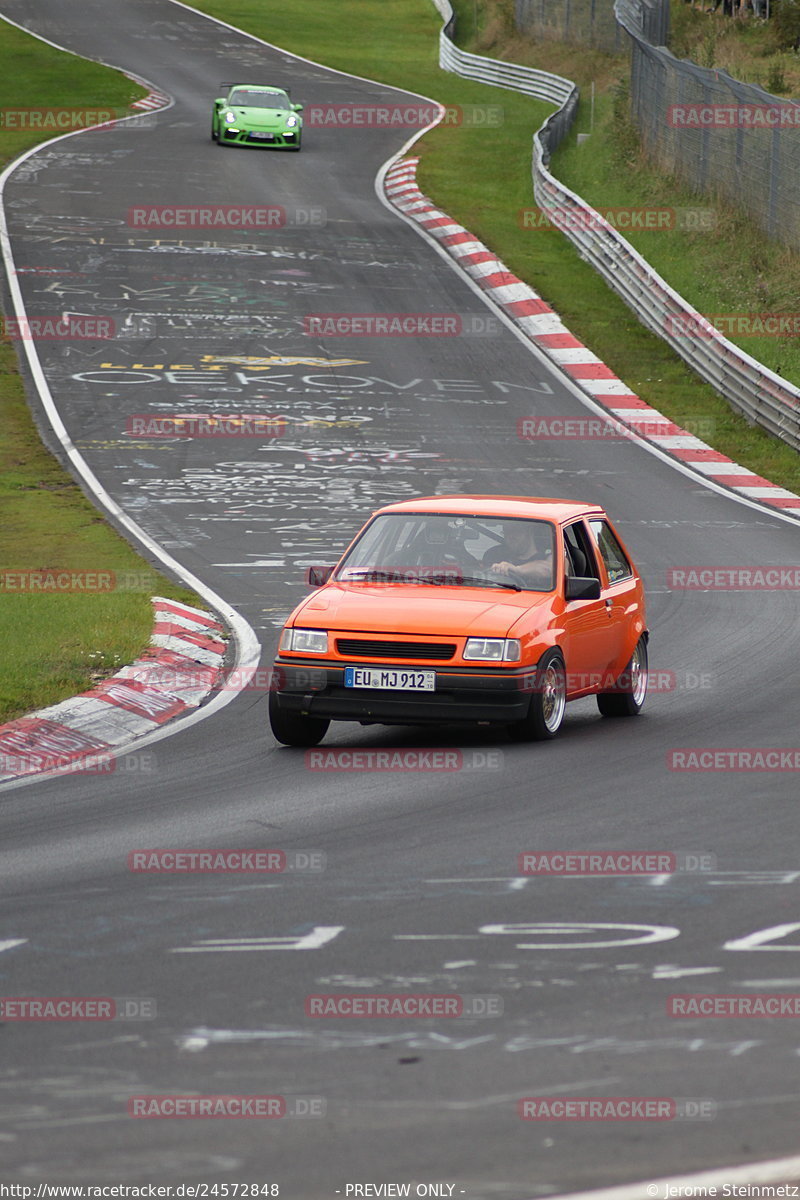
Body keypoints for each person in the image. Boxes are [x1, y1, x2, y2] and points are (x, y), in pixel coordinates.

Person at [483, 521, 553, 588]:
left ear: (529, 532)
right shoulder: (494, 555)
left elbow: (548, 569)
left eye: (515, 531)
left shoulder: (548, 556)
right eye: (506, 532)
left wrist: (517, 570)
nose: (510, 536)